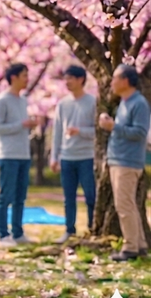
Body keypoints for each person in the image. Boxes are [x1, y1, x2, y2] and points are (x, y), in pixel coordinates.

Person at [99, 64, 150, 262]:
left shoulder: (139, 104)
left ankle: (130, 248)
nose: (112, 83)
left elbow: (139, 133)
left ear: (126, 80)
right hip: (118, 159)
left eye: (115, 78)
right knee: (128, 204)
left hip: (128, 161)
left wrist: (113, 126)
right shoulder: (125, 102)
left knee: (124, 205)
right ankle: (140, 244)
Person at [0, 63, 41, 247]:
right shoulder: (2, 100)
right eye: (24, 75)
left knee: (21, 196)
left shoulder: (22, 100)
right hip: (8, 154)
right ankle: (3, 234)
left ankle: (18, 233)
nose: (27, 79)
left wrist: (29, 125)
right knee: (6, 196)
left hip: (23, 154)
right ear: (13, 77)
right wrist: (22, 124)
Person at [50, 65, 97, 244]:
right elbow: (57, 132)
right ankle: (69, 230)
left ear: (81, 80)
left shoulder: (92, 102)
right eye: (66, 78)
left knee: (90, 196)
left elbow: (98, 131)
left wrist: (81, 131)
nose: (67, 82)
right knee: (68, 197)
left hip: (87, 156)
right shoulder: (63, 104)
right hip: (67, 157)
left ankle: (92, 229)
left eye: (71, 78)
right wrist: (54, 157)